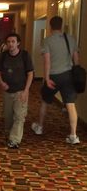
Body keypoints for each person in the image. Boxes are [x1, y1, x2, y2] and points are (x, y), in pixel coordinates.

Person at [31, 15, 80, 144]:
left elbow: (47, 61)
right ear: (62, 25)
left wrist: (46, 78)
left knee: (45, 101)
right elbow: (76, 59)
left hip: (54, 76)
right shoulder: (71, 39)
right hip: (69, 75)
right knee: (70, 104)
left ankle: (39, 127)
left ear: (50, 26)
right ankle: (73, 135)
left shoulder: (48, 41)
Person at [0, 33, 34, 149]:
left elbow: (30, 74)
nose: (10, 44)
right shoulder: (4, 56)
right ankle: (9, 134)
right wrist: (2, 83)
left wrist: (26, 90)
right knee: (8, 116)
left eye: (13, 41)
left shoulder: (24, 55)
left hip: (21, 91)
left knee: (19, 116)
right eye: (8, 42)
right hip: (8, 92)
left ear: (18, 43)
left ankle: (14, 140)